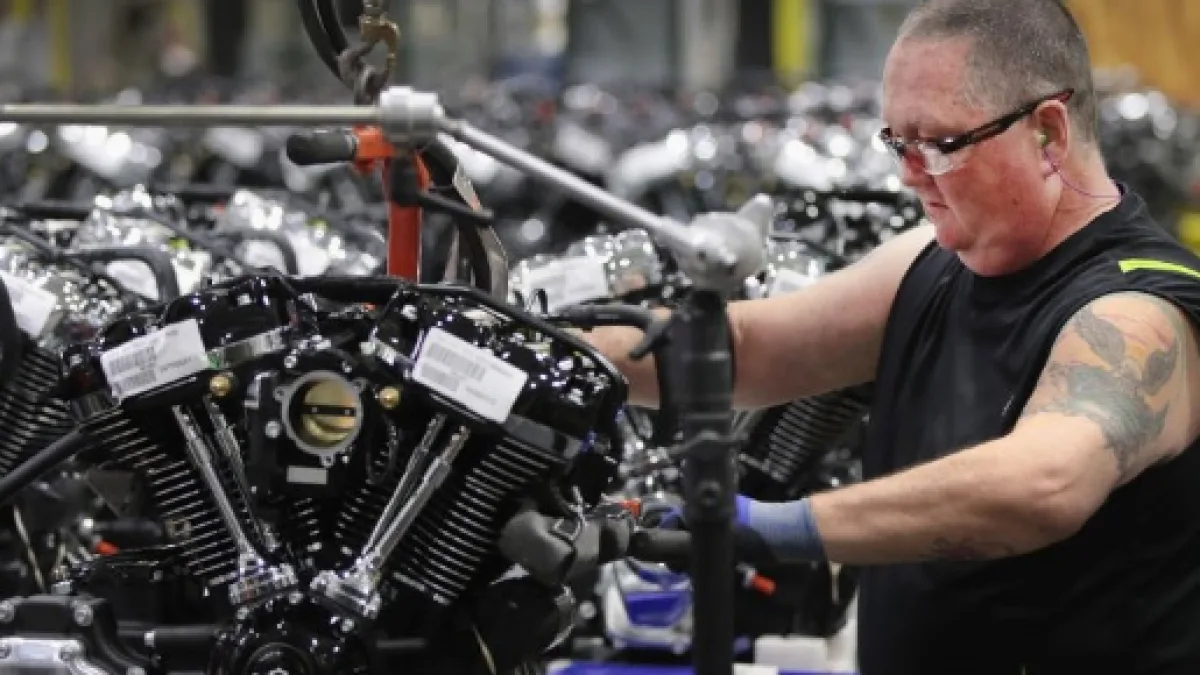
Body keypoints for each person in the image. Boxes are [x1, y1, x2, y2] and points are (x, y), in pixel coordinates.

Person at [586, 0, 1200, 673]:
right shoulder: (935, 262)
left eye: (939, 144)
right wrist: (549, 353)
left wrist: (774, 527)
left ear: (1047, 133)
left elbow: (1042, 483)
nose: (908, 174)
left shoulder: (1138, 312)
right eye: (897, 143)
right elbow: (747, 349)